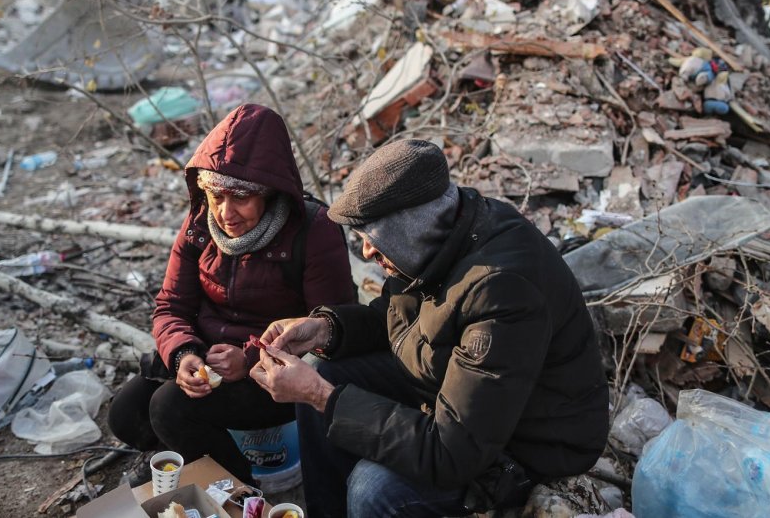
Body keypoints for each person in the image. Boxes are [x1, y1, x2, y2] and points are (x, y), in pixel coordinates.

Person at [250, 139, 609, 518]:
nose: (368, 252)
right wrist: (325, 329)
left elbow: (452, 453)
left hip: (531, 443)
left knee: (374, 489)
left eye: (374, 236)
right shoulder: (439, 236)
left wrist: (322, 396)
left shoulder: (502, 288)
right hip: (463, 395)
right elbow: (398, 317)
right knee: (330, 371)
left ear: (410, 225)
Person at [107, 103, 355, 485]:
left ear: (271, 194)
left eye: (240, 196)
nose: (226, 212)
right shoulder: (200, 223)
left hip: (274, 370)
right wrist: (184, 354)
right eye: (216, 196)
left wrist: (251, 356)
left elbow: (332, 325)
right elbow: (171, 305)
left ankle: (241, 488)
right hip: (208, 355)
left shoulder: (312, 230)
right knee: (125, 413)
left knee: (169, 408)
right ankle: (187, 453)